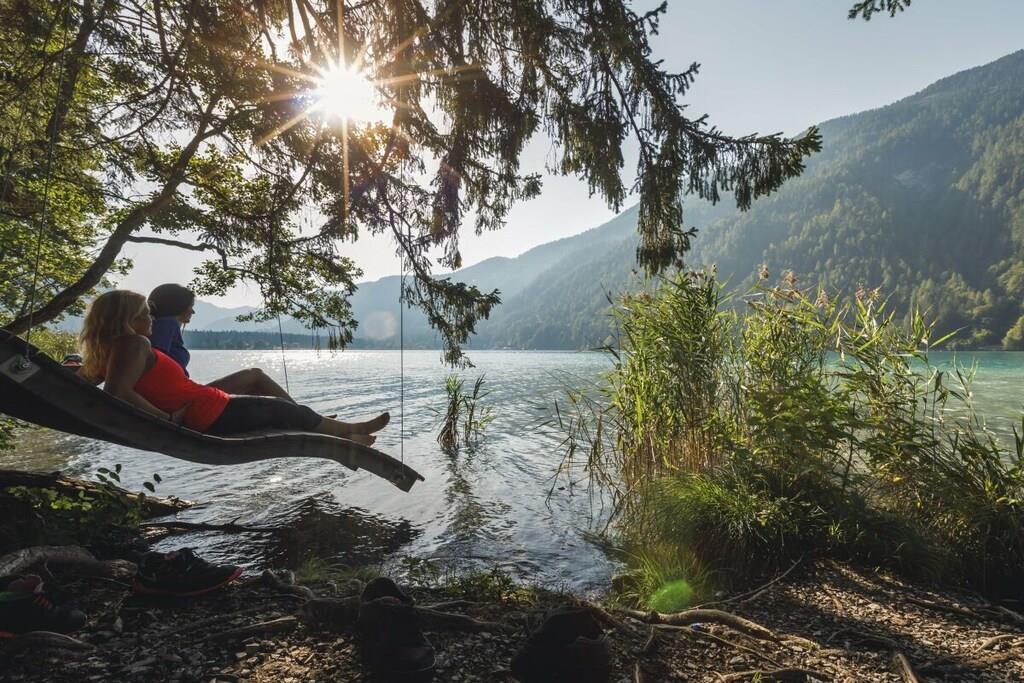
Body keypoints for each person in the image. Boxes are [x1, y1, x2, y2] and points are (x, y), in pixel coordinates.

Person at [79, 290, 388, 443]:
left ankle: (334, 429)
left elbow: (87, 383)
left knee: (280, 406)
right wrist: (167, 420)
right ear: (128, 319)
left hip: (203, 406)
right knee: (283, 410)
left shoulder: (109, 352)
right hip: (206, 413)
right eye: (146, 313)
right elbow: (118, 392)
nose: (151, 319)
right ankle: (349, 432)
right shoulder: (134, 343)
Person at [148, 283, 296, 401]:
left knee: (253, 389)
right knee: (255, 375)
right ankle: (301, 415)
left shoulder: (161, 326)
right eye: (190, 306)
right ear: (177, 306)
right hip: (182, 396)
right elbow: (156, 364)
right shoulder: (167, 324)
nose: (193, 312)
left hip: (182, 393)